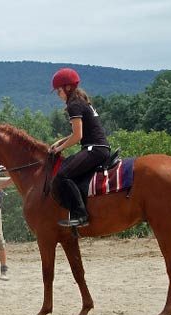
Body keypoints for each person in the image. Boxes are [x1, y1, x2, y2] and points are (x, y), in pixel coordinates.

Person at [49, 68, 111, 227]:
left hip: (94, 149)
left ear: (67, 88)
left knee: (62, 175)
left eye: (58, 91)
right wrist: (60, 142)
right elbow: (78, 133)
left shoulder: (74, 105)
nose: (58, 95)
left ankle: (81, 215)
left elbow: (78, 137)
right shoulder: (81, 102)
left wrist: (59, 149)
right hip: (99, 147)